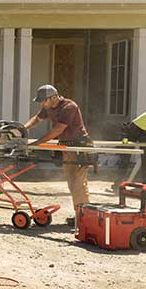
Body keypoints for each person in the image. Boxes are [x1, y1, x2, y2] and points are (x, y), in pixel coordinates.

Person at [23, 84, 92, 222]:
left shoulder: (69, 107)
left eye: (44, 101)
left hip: (79, 146)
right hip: (66, 146)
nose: (42, 103)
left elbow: (57, 130)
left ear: (54, 97)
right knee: (72, 183)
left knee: (79, 183)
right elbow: (37, 118)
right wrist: (22, 128)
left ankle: (84, 218)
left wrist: (36, 143)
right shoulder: (48, 107)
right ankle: (80, 215)